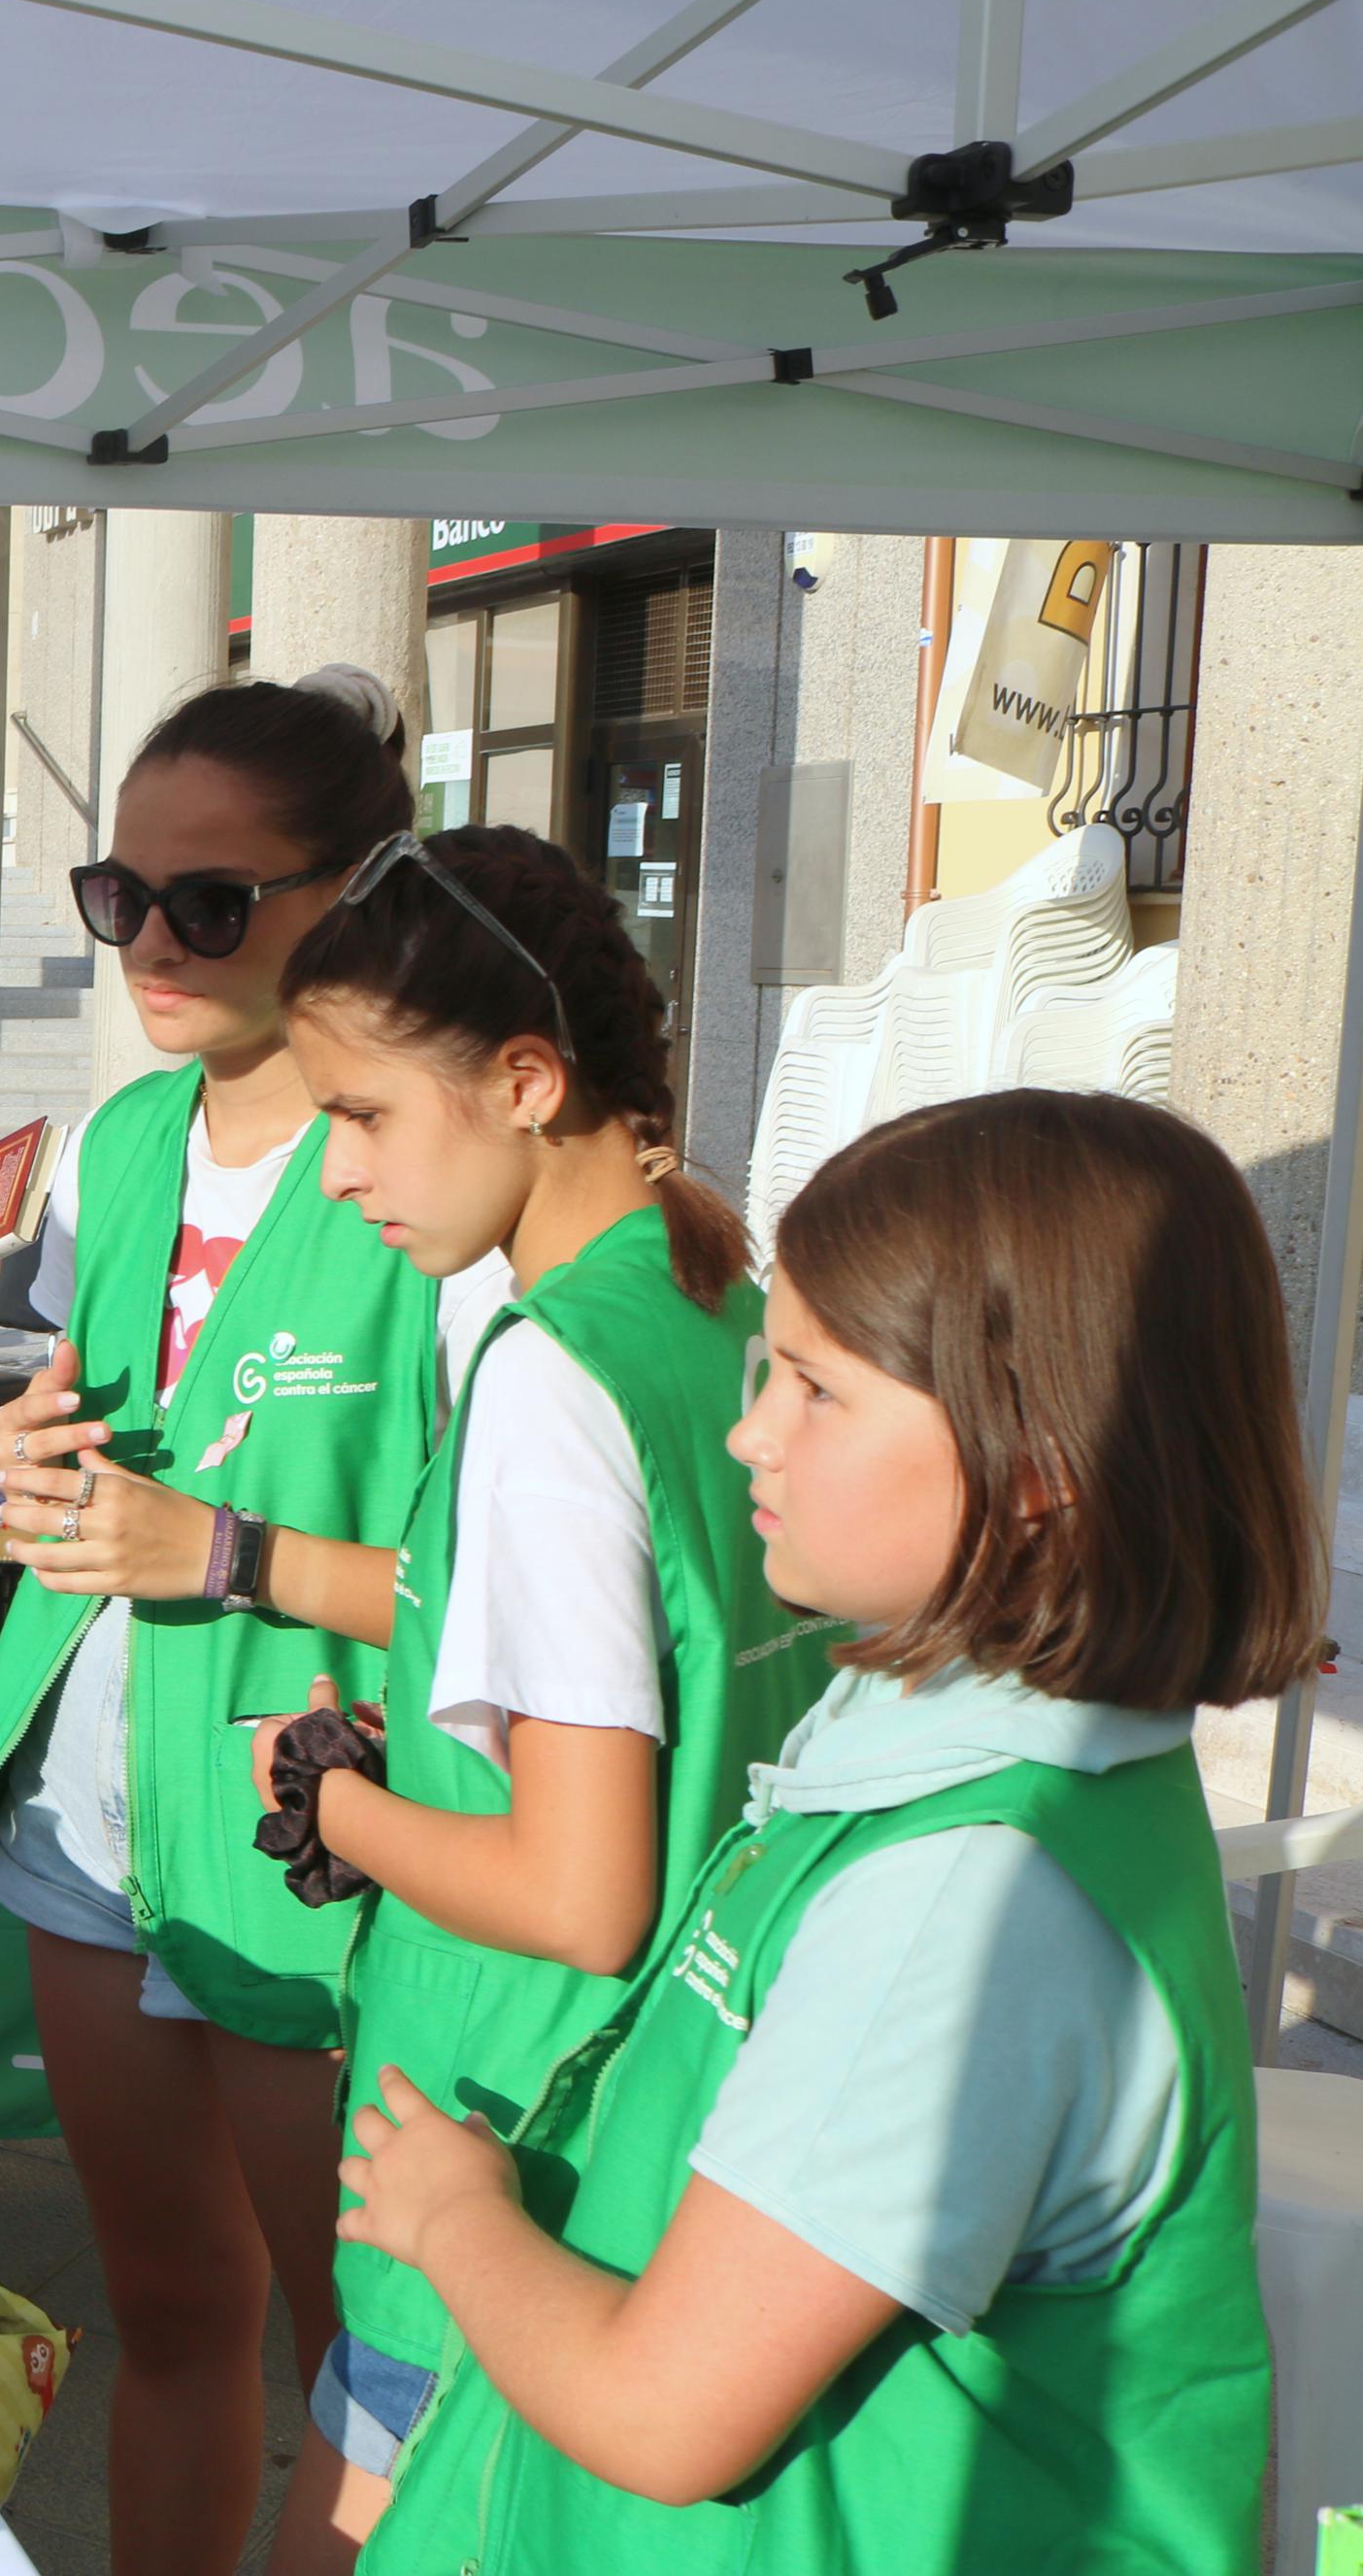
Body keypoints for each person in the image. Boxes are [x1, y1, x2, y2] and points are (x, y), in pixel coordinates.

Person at [344, 1090, 1304, 2576]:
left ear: (1038, 1454)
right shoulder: (953, 1755)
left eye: (812, 1387)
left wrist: (455, 2215)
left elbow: (663, 2411)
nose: (748, 1432)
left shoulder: (965, 1895)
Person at [0, 666, 504, 2576]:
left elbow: (515, 1600)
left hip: (314, 1833)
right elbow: (105, 1453)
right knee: (170, 2317)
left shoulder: (435, 1182)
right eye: (121, 897)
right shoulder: (115, 1145)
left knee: (369, 2379)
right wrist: (19, 1457)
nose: (153, 945)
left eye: (211, 901)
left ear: (350, 896)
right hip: (89, 1815)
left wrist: (229, 1555)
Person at [249, 825, 837, 2569]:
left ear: (521, 1080)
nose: (332, 1173)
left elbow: (580, 1894)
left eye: (358, 1114)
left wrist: (329, 1803)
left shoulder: (546, 1381)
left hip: (508, 2114)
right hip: (669, 2100)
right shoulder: (707, 1288)